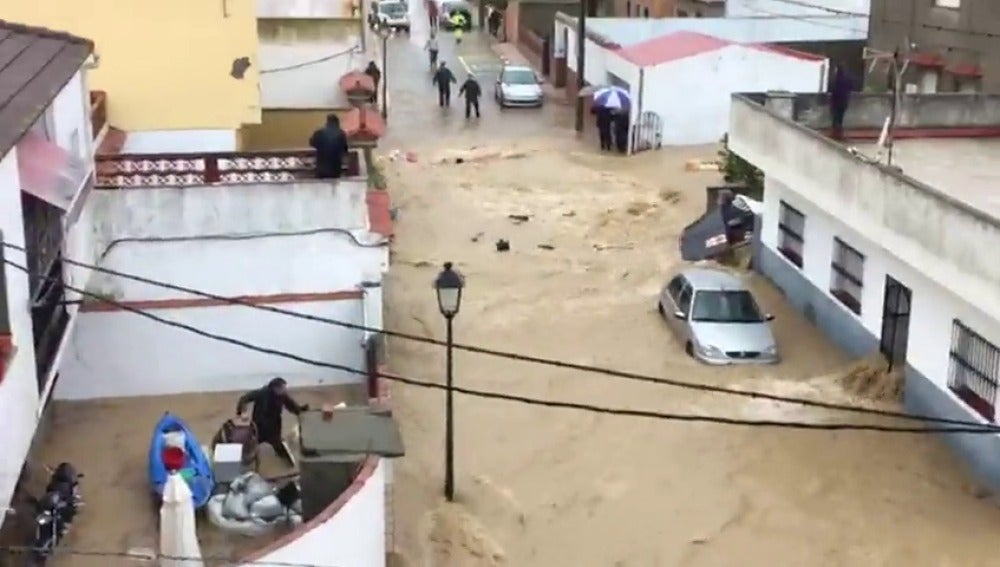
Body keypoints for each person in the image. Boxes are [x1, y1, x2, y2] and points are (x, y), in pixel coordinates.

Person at [236, 378, 309, 467]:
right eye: (282, 388)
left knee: (277, 443)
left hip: (274, 424)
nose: (285, 390)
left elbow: (291, 405)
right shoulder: (262, 393)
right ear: (275, 388)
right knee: (254, 443)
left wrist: (300, 410)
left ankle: (285, 458)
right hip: (260, 423)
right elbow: (244, 399)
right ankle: (245, 459)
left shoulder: (282, 395)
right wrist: (241, 412)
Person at [309, 114, 349, 178]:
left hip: (321, 166)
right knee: (334, 184)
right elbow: (345, 149)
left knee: (321, 185)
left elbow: (312, 143)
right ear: (337, 123)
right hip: (335, 167)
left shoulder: (319, 132)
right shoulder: (341, 133)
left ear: (327, 122)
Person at [829, 64, 854, 141]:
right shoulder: (846, 79)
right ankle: (839, 134)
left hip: (836, 102)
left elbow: (833, 90)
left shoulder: (837, 79)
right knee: (840, 118)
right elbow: (851, 87)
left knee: (835, 118)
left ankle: (835, 134)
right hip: (844, 102)